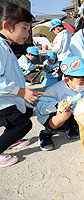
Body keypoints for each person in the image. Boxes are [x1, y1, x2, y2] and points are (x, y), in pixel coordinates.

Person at [0, 2, 38, 167]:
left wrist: (25, 77)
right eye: (24, 28)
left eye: (29, 29)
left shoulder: (5, 45)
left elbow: (8, 73)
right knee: (24, 124)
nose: (27, 33)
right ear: (7, 26)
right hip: (2, 101)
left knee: (27, 110)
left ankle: (11, 139)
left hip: (8, 97)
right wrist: (22, 92)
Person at [35, 56, 84, 151]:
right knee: (65, 113)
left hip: (70, 117)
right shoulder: (54, 89)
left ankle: (72, 127)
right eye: (81, 81)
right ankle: (46, 133)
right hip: (52, 117)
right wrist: (56, 106)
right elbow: (41, 107)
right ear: (67, 80)